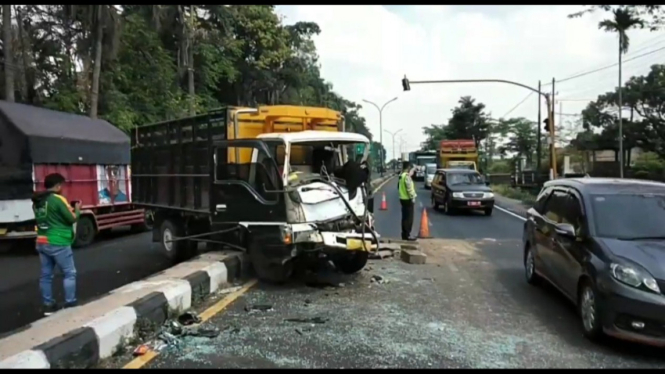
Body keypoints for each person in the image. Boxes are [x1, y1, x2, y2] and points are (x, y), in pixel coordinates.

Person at [32, 173, 80, 315]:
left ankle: (48, 305)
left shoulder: (37, 201)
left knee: (46, 275)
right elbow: (71, 218)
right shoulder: (58, 200)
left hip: (42, 241)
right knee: (69, 273)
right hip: (58, 241)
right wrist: (77, 208)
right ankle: (70, 303)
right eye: (62, 186)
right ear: (58, 185)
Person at [398, 162, 417, 241]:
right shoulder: (406, 177)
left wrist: (412, 170)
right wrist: (412, 197)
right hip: (408, 199)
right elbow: (409, 188)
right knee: (409, 218)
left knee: (404, 218)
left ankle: (404, 234)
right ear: (408, 167)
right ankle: (407, 235)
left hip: (402, 199)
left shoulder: (401, 176)